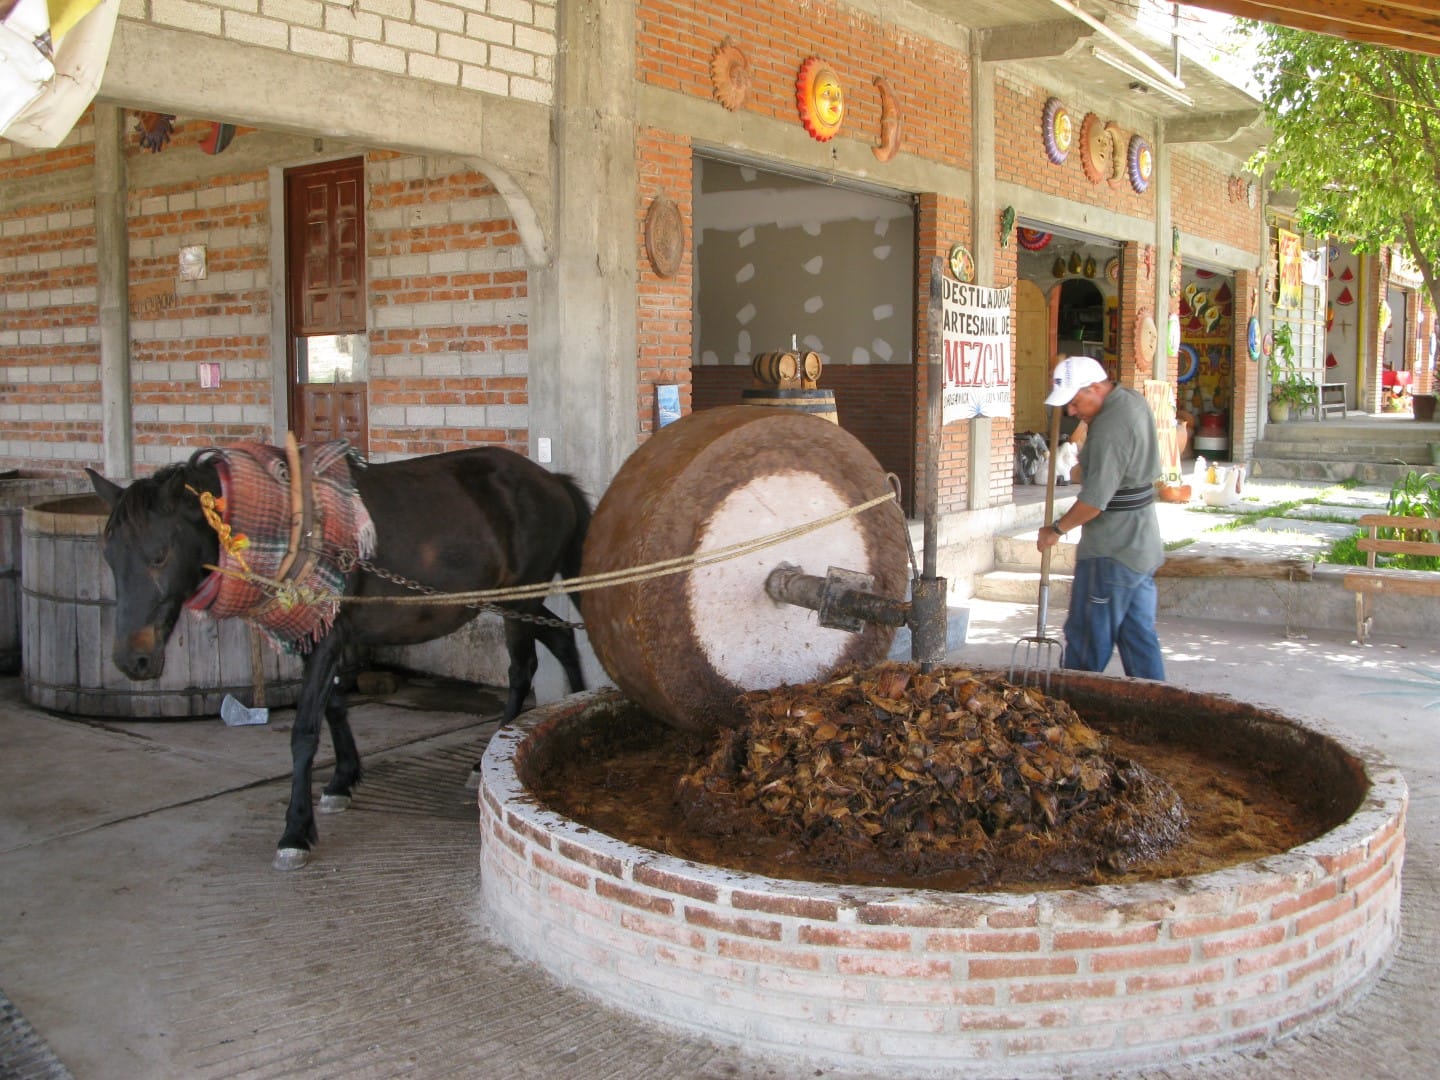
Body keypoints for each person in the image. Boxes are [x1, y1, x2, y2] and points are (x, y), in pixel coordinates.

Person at [1035, 355, 1165, 679]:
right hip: (1141, 545)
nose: (1071, 412)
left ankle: (1072, 716)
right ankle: (1158, 711)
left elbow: (1094, 502)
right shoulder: (1128, 399)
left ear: (1095, 388)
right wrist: (1086, 468)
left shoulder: (1109, 427)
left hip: (1111, 553)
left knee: (1086, 644)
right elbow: (1114, 471)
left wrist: (1055, 530)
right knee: (1138, 640)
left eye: (1076, 403)